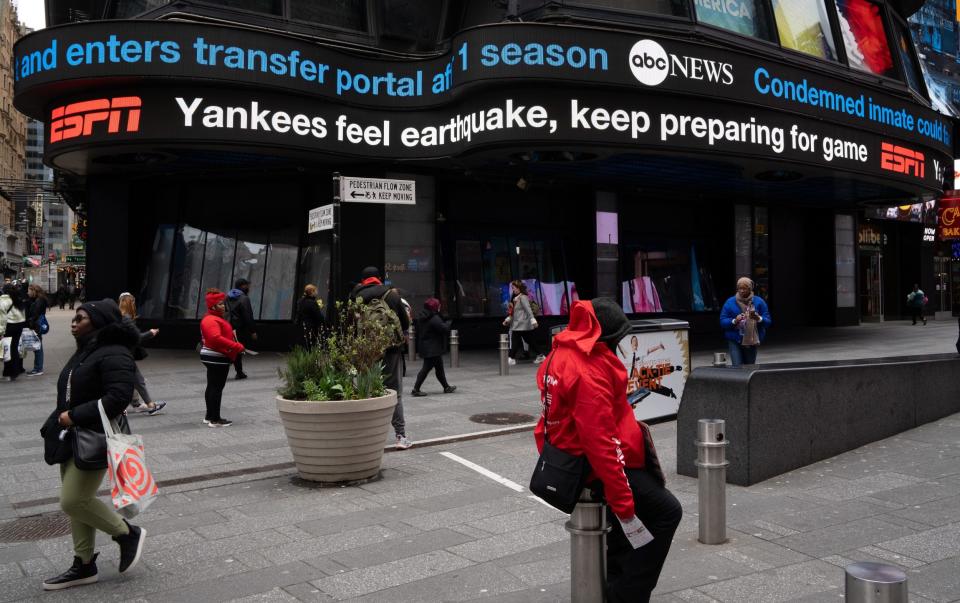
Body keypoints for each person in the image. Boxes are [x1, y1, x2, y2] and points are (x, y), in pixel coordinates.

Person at [535, 298, 681, 602]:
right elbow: (599, 442)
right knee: (667, 512)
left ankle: (616, 581)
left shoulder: (561, 353)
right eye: (619, 337)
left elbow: (548, 420)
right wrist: (623, 502)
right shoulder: (589, 369)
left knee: (623, 528)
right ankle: (626, 595)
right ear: (608, 338)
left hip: (579, 457)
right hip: (597, 464)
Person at [41, 299, 146, 590]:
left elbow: (118, 398)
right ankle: (83, 564)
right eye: (74, 317)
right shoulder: (87, 349)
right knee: (77, 504)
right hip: (71, 436)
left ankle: (127, 533)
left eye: (81, 317)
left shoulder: (114, 353)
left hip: (94, 437)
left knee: (73, 500)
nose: (74, 322)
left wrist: (73, 415)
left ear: (99, 322)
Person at [349, 267, 412, 449]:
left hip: (366, 351)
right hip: (391, 349)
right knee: (395, 392)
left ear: (363, 280)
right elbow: (405, 322)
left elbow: (349, 323)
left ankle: (366, 439)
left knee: (364, 391)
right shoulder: (391, 295)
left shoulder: (355, 296)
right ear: (378, 278)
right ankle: (400, 436)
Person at [200, 289, 244, 427]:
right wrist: (236, 346)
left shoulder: (213, 318)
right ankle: (215, 419)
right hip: (216, 356)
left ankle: (209, 416)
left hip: (214, 355)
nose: (223, 306)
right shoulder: (211, 320)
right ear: (212, 306)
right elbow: (215, 337)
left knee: (212, 386)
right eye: (220, 304)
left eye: (223, 303)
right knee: (216, 387)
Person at [118, 293, 167, 415]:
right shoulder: (126, 318)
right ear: (130, 303)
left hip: (121, 354)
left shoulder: (119, 317)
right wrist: (151, 333)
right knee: (137, 380)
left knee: (131, 380)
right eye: (133, 302)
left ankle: (136, 404)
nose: (135, 305)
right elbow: (137, 337)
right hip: (125, 355)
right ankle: (149, 405)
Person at [720, 277, 771, 367]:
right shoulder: (730, 302)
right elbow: (723, 321)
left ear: (750, 289)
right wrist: (734, 320)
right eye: (740, 288)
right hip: (735, 339)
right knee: (737, 366)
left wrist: (758, 318)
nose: (742, 291)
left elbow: (768, 322)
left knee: (749, 367)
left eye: (745, 288)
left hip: (751, 340)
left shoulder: (759, 302)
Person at [410, 297, 456, 397]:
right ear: (435, 307)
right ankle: (416, 389)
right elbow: (444, 329)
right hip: (432, 349)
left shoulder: (423, 316)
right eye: (438, 305)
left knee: (439, 369)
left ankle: (446, 387)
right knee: (426, 369)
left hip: (427, 347)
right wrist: (448, 323)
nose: (440, 307)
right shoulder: (434, 318)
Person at [503, 280, 545, 366]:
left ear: (518, 288)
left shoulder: (523, 297)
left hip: (522, 324)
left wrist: (533, 320)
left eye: (514, 288)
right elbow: (514, 313)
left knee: (515, 340)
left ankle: (511, 358)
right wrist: (507, 320)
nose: (513, 290)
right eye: (512, 288)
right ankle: (540, 355)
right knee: (530, 340)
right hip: (519, 324)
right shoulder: (515, 298)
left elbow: (528, 309)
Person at [227, 278, 257, 379]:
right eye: (247, 285)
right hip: (240, 329)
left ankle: (237, 371)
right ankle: (239, 372)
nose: (249, 287)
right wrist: (252, 331)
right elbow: (248, 315)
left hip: (228, 327)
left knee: (231, 348)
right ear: (242, 286)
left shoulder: (228, 297)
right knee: (238, 349)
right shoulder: (244, 298)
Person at [1, 284, 27, 381]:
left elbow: (2, 318)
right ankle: (15, 370)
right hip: (19, 325)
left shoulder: (3, 301)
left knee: (7, 348)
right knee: (14, 348)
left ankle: (8, 372)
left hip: (9, 326)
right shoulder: (18, 299)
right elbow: (23, 313)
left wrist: (1, 331)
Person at [26, 284, 48, 376]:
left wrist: (30, 323)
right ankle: (38, 368)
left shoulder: (39, 301)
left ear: (33, 291)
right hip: (36, 325)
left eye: (29, 290)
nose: (28, 292)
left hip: (36, 326)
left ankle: (38, 368)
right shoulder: (38, 299)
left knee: (37, 347)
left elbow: (35, 314)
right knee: (38, 346)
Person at [295, 284, 324, 348]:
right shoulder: (312, 302)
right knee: (310, 346)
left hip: (301, 327)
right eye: (315, 291)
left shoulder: (300, 301)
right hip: (311, 328)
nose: (317, 292)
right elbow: (318, 316)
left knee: (303, 346)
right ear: (312, 292)